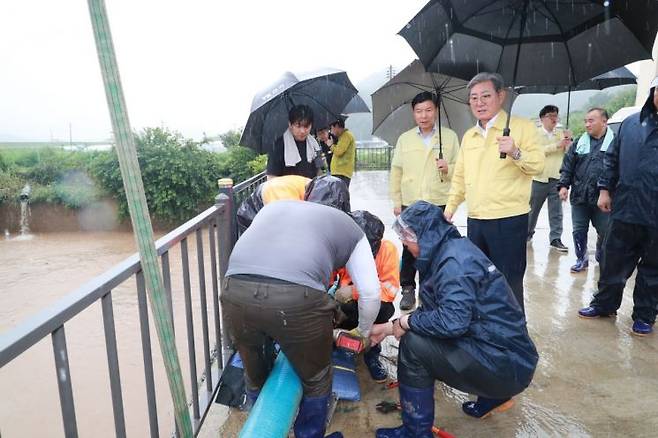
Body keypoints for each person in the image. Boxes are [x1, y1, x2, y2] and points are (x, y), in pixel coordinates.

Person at [222, 175, 379, 438]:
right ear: (346, 207)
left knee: (255, 372)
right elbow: (371, 293)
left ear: (307, 195)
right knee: (317, 379)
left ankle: (260, 424)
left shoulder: (274, 208)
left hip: (234, 291)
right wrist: (362, 332)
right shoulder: (349, 227)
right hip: (295, 300)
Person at [370, 202, 538, 437]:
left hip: (504, 366)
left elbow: (451, 322)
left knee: (414, 346)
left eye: (407, 237)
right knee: (421, 330)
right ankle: (494, 397)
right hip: (509, 358)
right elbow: (440, 314)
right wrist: (390, 327)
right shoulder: (451, 251)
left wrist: (405, 324)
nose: (404, 243)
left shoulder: (453, 265)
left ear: (425, 235)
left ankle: (415, 433)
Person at [444, 72, 544, 314]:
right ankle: (487, 329)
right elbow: (460, 176)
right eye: (474, 98)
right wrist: (449, 209)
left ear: (501, 96)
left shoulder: (521, 127)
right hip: (477, 219)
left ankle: (514, 337)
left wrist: (516, 152)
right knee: (480, 278)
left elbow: (538, 166)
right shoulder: (469, 136)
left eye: (486, 96)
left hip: (509, 219)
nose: (479, 102)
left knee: (508, 281)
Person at [578, 77, 658, 336]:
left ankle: (644, 315)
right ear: (653, 91)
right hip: (625, 208)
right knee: (612, 260)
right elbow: (611, 159)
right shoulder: (631, 123)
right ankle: (604, 304)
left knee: (653, 269)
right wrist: (604, 189)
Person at [389, 91, 461, 311]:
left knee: (436, 249)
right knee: (410, 249)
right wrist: (397, 201)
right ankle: (408, 289)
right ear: (413, 113)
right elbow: (396, 171)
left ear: (436, 111)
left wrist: (448, 168)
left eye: (428, 110)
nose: (424, 115)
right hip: (411, 204)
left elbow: (460, 171)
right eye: (419, 111)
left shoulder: (449, 137)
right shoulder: (405, 139)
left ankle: (431, 290)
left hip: (437, 202)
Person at [333, 210, 399, 382]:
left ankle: (371, 353)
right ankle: (344, 346)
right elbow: (330, 273)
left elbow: (390, 290)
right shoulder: (341, 246)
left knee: (383, 310)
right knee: (338, 312)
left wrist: (354, 290)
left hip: (373, 302)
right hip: (346, 303)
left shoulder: (387, 250)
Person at [557, 108, 613, 273]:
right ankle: (581, 258)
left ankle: (601, 253)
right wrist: (563, 186)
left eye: (591, 120)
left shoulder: (615, 142)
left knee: (605, 230)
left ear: (604, 121)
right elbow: (568, 166)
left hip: (603, 198)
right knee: (579, 229)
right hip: (580, 196)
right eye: (585, 121)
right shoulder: (579, 142)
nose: (587, 124)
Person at [527, 105, 571, 252]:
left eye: (555, 116)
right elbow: (537, 152)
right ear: (542, 119)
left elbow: (569, 153)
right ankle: (527, 234)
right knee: (533, 209)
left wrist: (568, 141)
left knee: (557, 211)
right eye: (550, 116)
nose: (554, 119)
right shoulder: (535, 134)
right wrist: (556, 145)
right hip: (539, 178)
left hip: (557, 178)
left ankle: (555, 238)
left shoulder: (561, 133)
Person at [236, 175, 310, 232]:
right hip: (251, 216)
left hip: (267, 212)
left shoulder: (315, 187)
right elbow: (288, 226)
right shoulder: (283, 193)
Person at [267, 104, 323, 179]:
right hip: (287, 189)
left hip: (312, 188)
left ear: (311, 125)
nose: (302, 131)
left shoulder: (314, 144)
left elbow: (318, 171)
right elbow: (271, 177)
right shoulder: (279, 145)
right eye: (298, 126)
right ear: (290, 124)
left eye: (306, 126)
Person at [329, 117, 356, 187]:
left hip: (342, 172)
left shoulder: (346, 135)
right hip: (339, 172)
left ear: (337, 126)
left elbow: (339, 151)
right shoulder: (342, 137)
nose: (331, 132)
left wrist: (331, 145)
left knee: (340, 195)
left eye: (332, 128)